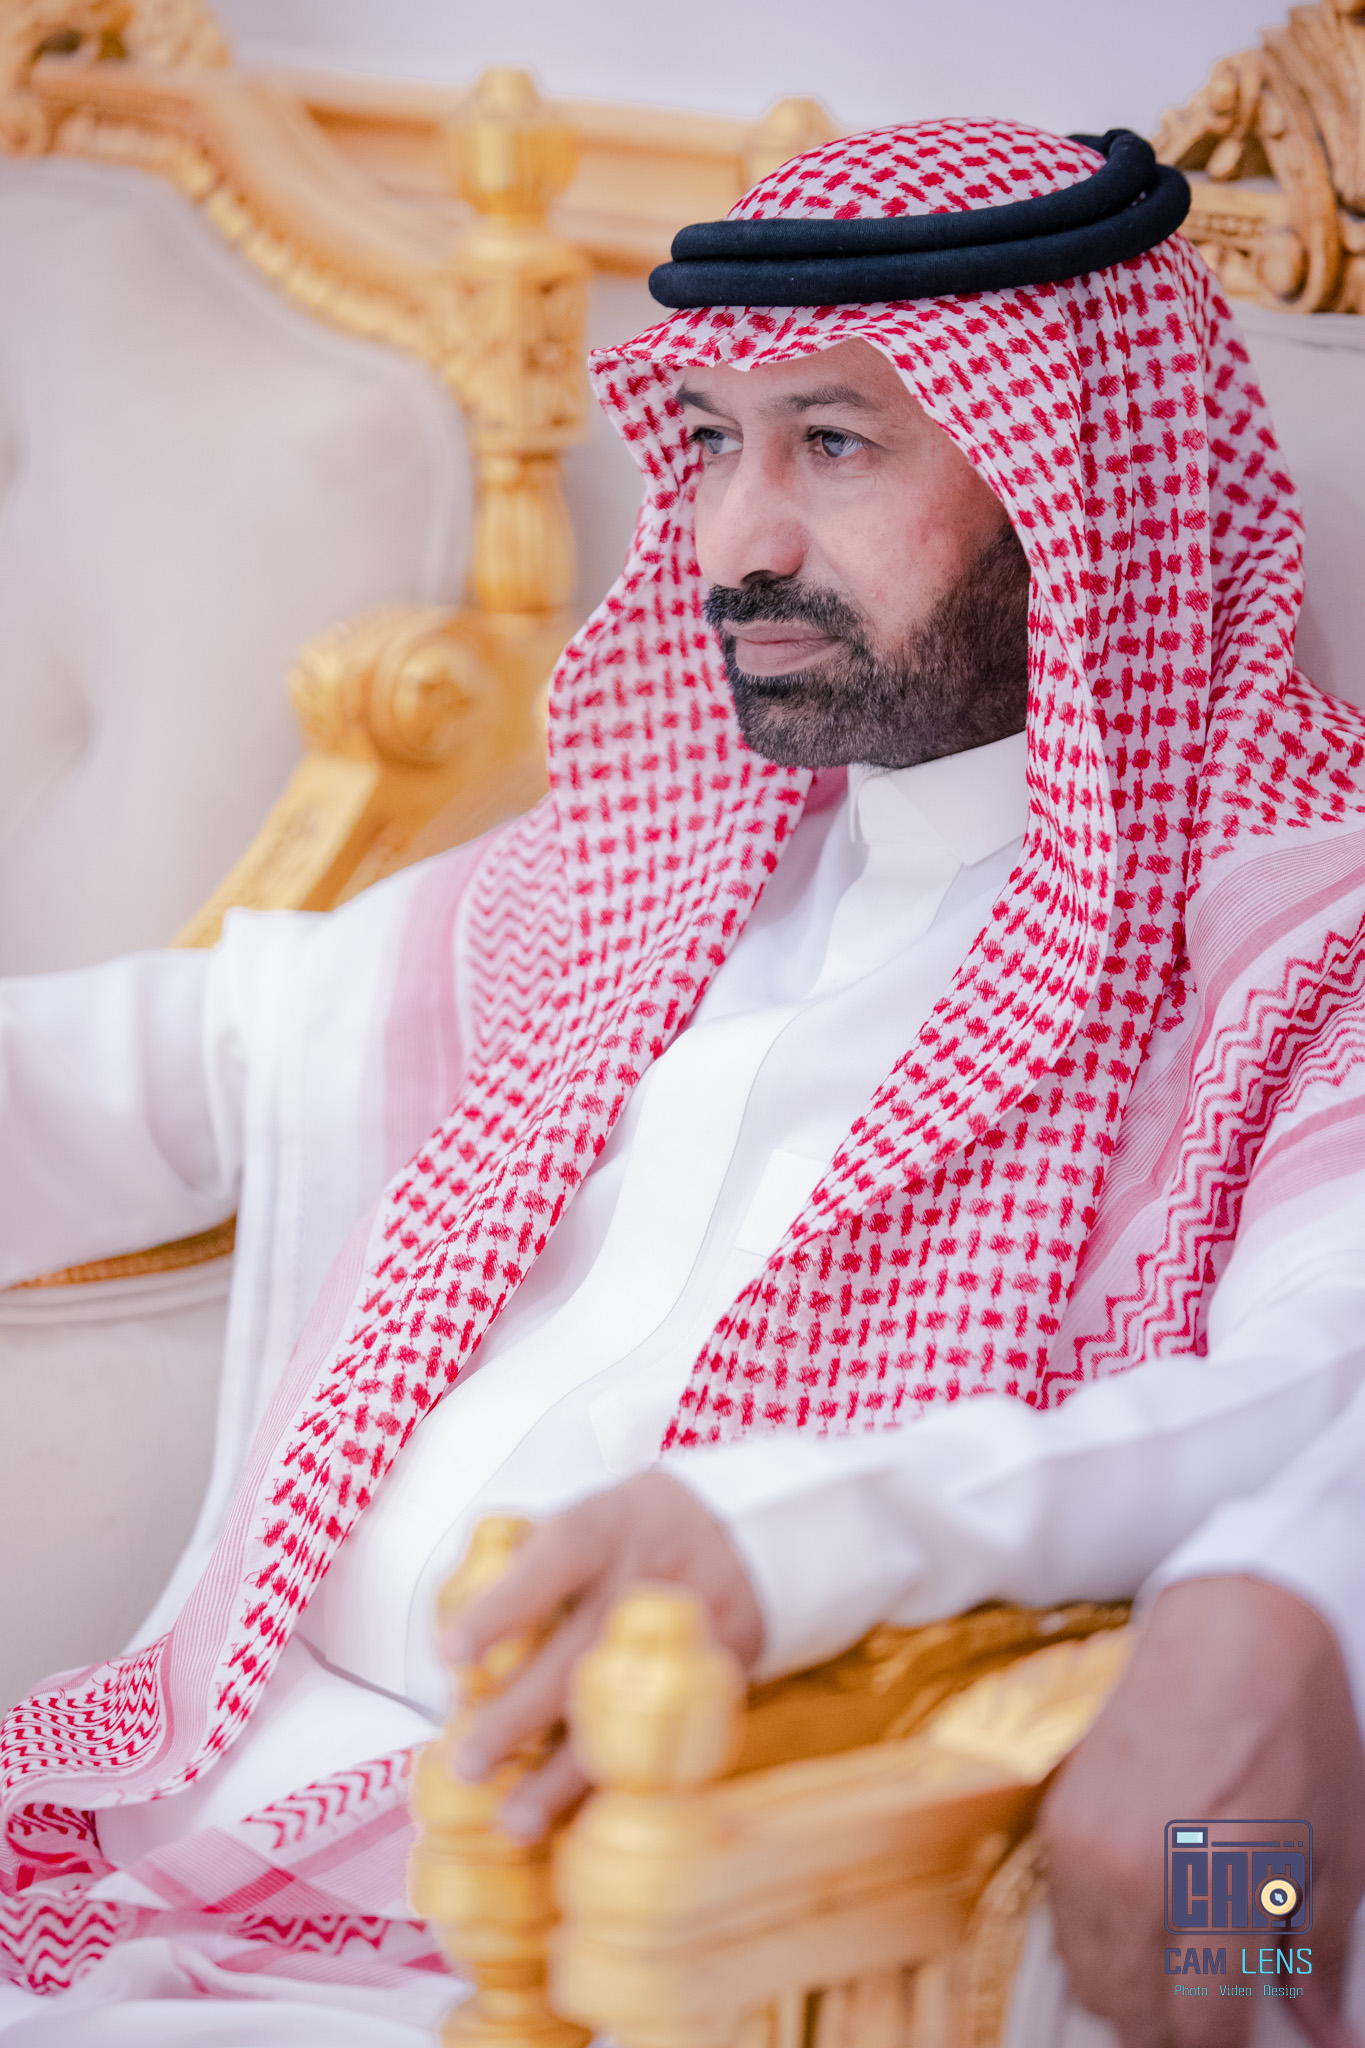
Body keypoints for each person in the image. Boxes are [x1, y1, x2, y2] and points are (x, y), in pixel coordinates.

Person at [3, 117, 1365, 2048]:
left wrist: (771, 1535)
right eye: (713, 442)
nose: (737, 544)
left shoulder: (1295, 926)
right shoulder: (662, 857)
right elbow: (157, 1068)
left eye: (836, 442)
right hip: (197, 1829)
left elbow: (1316, 1387)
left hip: (640, 1937)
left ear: (1081, 478)